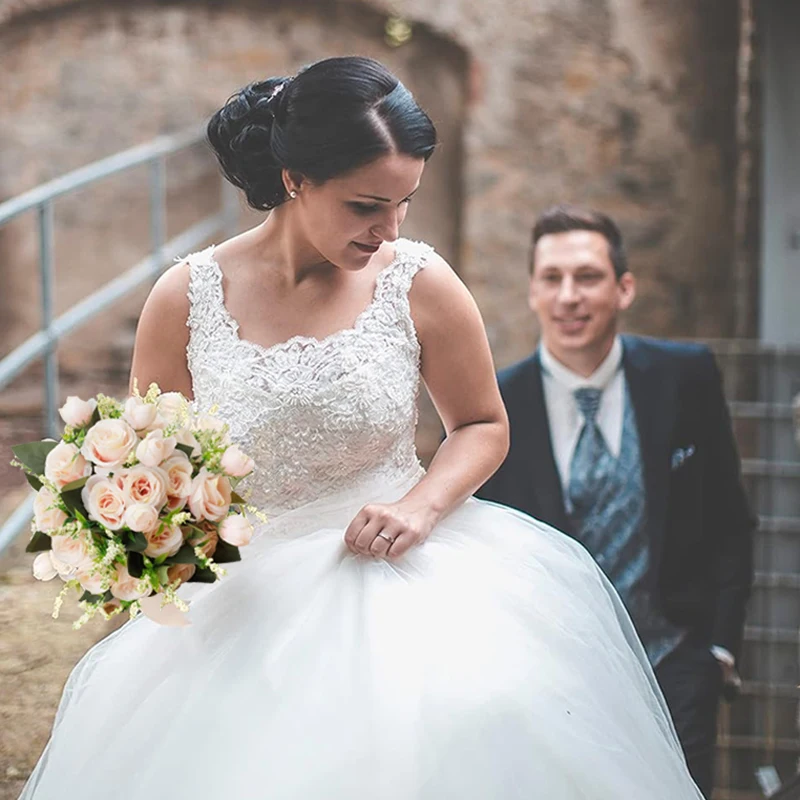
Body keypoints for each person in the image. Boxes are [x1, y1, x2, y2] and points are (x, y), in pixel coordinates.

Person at [20, 58, 703, 799]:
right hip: (241, 615)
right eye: (366, 205)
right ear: (294, 180)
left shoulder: (419, 281)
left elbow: (479, 423)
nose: (390, 228)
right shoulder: (183, 297)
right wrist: (130, 548)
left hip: (404, 591)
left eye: (405, 202)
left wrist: (421, 506)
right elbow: (157, 465)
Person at [478, 205, 756, 798]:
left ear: (624, 288)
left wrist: (719, 651)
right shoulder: (496, 403)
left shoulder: (686, 378)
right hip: (551, 678)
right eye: (552, 279)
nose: (569, 297)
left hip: (675, 664)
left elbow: (731, 522)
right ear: (532, 291)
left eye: (588, 277)